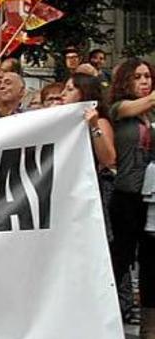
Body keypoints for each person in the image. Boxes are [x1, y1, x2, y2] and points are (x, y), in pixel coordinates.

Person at [107, 58, 155, 339]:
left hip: (150, 199)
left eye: (148, 76)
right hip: (125, 197)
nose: (144, 81)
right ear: (125, 81)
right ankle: (106, 319)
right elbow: (138, 105)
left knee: (151, 264)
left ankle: (149, 330)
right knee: (120, 260)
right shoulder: (118, 109)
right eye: (137, 77)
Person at [59, 74, 116, 236]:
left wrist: (94, 126)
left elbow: (108, 159)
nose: (63, 94)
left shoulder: (100, 122)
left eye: (69, 89)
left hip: (87, 191)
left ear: (84, 93)